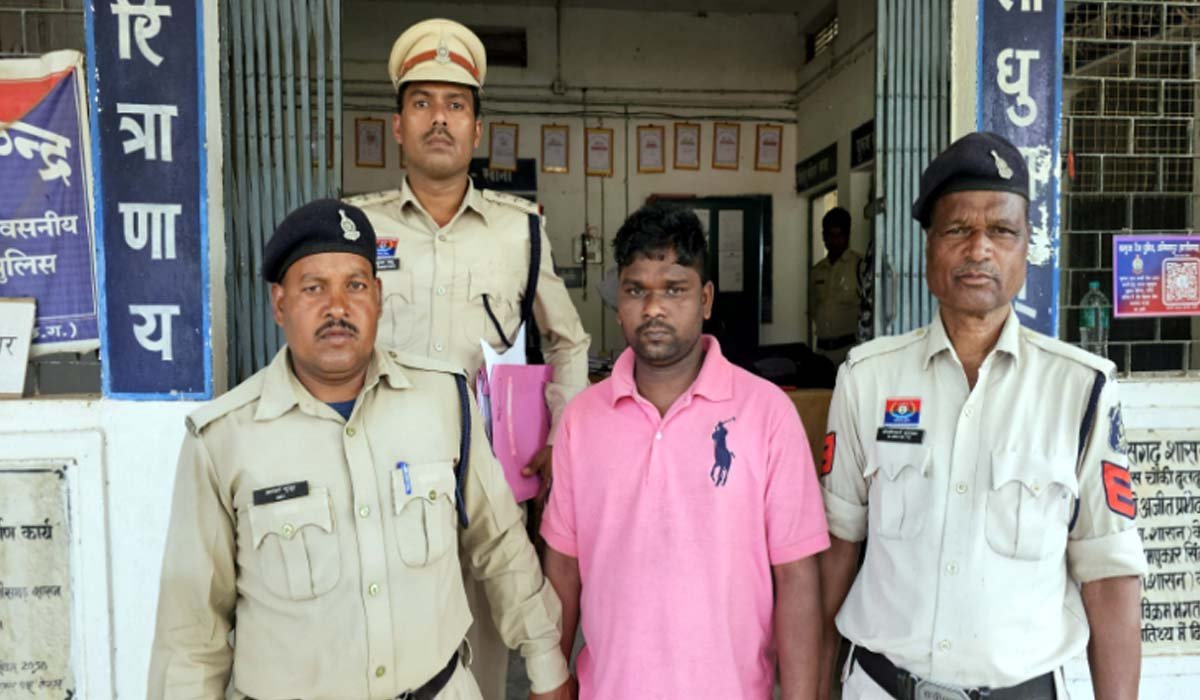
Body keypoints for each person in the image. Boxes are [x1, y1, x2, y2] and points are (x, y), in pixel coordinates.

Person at [147, 200, 572, 700]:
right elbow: (191, 636)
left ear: (378, 297)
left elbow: (499, 543)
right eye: (314, 288)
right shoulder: (224, 438)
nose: (337, 308)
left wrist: (547, 664)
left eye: (355, 285)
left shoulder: (442, 399)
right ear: (279, 304)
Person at [817, 132, 1145, 700]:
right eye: (957, 230)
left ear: (1026, 247)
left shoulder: (1080, 390)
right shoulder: (866, 379)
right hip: (881, 687)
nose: (979, 249)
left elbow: (1110, 575)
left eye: (1001, 231)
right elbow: (836, 547)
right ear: (928, 247)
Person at [345, 21, 591, 697]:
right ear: (397, 126)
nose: (439, 119)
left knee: (479, 666)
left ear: (477, 130)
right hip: (381, 486)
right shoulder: (359, 229)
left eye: (455, 105)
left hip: (486, 493)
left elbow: (569, 341)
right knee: (381, 661)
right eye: (422, 102)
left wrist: (561, 433)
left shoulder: (520, 231)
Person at [540, 203, 830, 698]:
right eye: (636, 290)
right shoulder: (582, 420)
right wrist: (551, 683)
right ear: (619, 302)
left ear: (706, 299)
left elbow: (797, 576)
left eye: (675, 289)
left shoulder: (767, 414)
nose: (654, 308)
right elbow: (563, 567)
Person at [809, 206, 863, 365]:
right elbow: (813, 309)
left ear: (848, 236)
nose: (835, 241)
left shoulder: (860, 266)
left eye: (840, 235)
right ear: (823, 237)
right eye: (830, 236)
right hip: (822, 351)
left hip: (850, 351)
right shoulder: (817, 271)